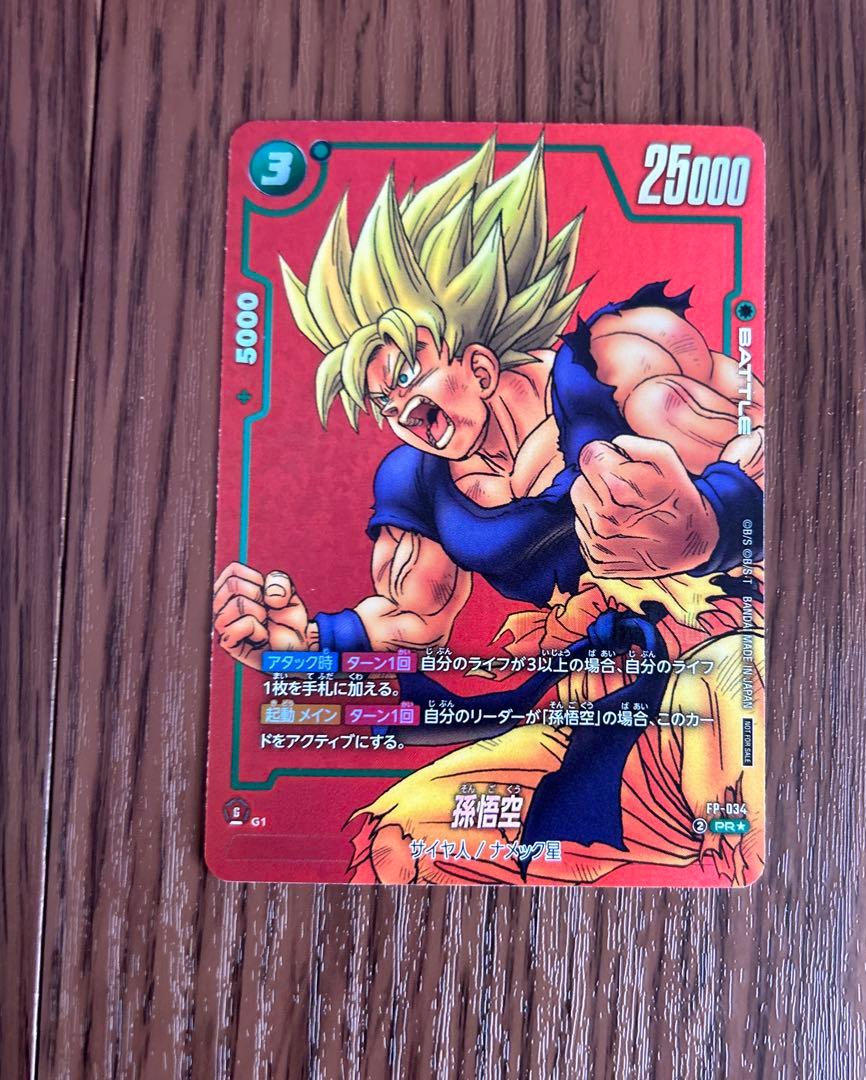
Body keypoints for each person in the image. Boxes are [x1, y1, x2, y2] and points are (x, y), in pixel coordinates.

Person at [213, 136, 765, 885]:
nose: (399, 411)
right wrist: (308, 642)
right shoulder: (418, 481)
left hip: (719, 660)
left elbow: (765, 444)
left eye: (405, 375)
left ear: (475, 361)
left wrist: (708, 524)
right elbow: (411, 620)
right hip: (587, 704)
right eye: (380, 399)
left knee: (728, 770)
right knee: (398, 841)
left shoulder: (614, 365)